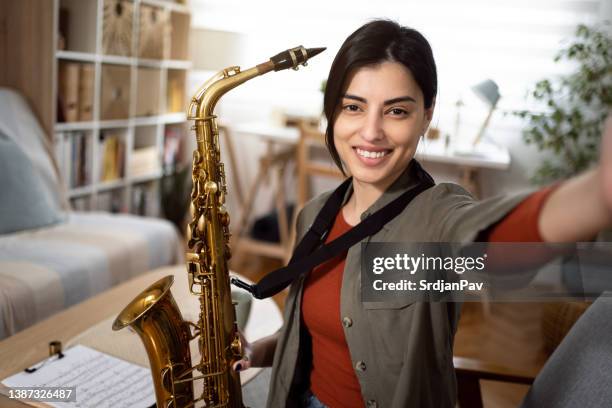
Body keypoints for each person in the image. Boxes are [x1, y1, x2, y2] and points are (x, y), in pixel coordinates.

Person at [233, 19, 612, 408]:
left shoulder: (434, 219)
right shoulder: (314, 215)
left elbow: (492, 243)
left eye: (396, 111)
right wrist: (259, 351)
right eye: (353, 107)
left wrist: (598, 195)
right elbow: (317, 330)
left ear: (426, 116)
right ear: (334, 112)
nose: (371, 131)